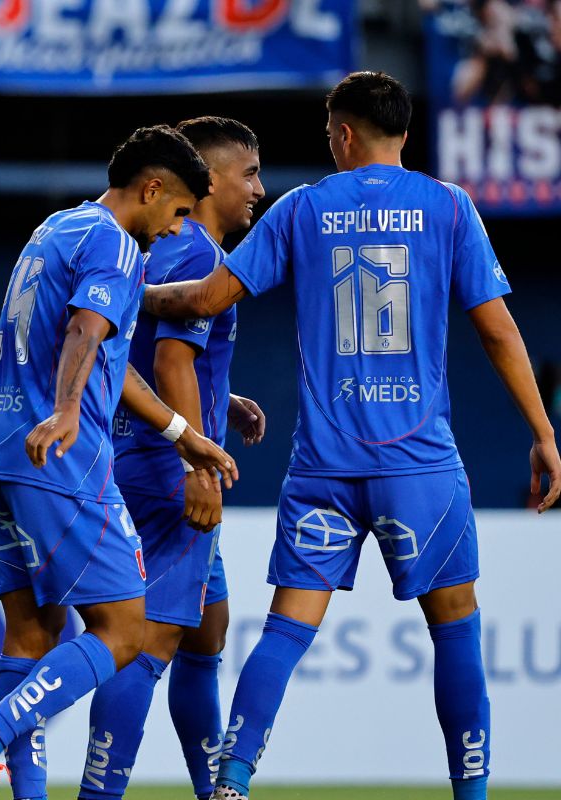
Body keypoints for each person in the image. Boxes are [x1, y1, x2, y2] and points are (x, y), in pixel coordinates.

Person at [140, 72, 561, 800]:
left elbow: (205, 300)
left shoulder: (304, 209)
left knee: (283, 634)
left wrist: (115, 289)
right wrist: (543, 432)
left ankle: (232, 784)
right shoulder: (452, 209)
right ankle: (473, 793)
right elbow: (496, 329)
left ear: (342, 134)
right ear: (402, 132)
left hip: (324, 470)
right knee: (456, 631)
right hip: (420, 466)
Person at [0, 124, 238, 800]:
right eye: (180, 210)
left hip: (0, 455)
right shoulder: (116, 243)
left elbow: (109, 351)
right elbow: (86, 331)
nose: (175, 228)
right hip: (63, 457)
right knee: (125, 628)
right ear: (151, 188)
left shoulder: (55, 230)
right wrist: (70, 410)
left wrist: (180, 430)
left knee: (32, 631)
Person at [71, 116, 268, 800]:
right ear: (209, 180)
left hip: (134, 451)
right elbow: (170, 355)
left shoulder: (158, 244)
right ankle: (100, 793)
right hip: (167, 471)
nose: (258, 189)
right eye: (248, 173)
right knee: (146, 647)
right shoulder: (198, 254)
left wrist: (226, 399)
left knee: (205, 635)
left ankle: (214, 789)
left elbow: (145, 347)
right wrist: (197, 466)